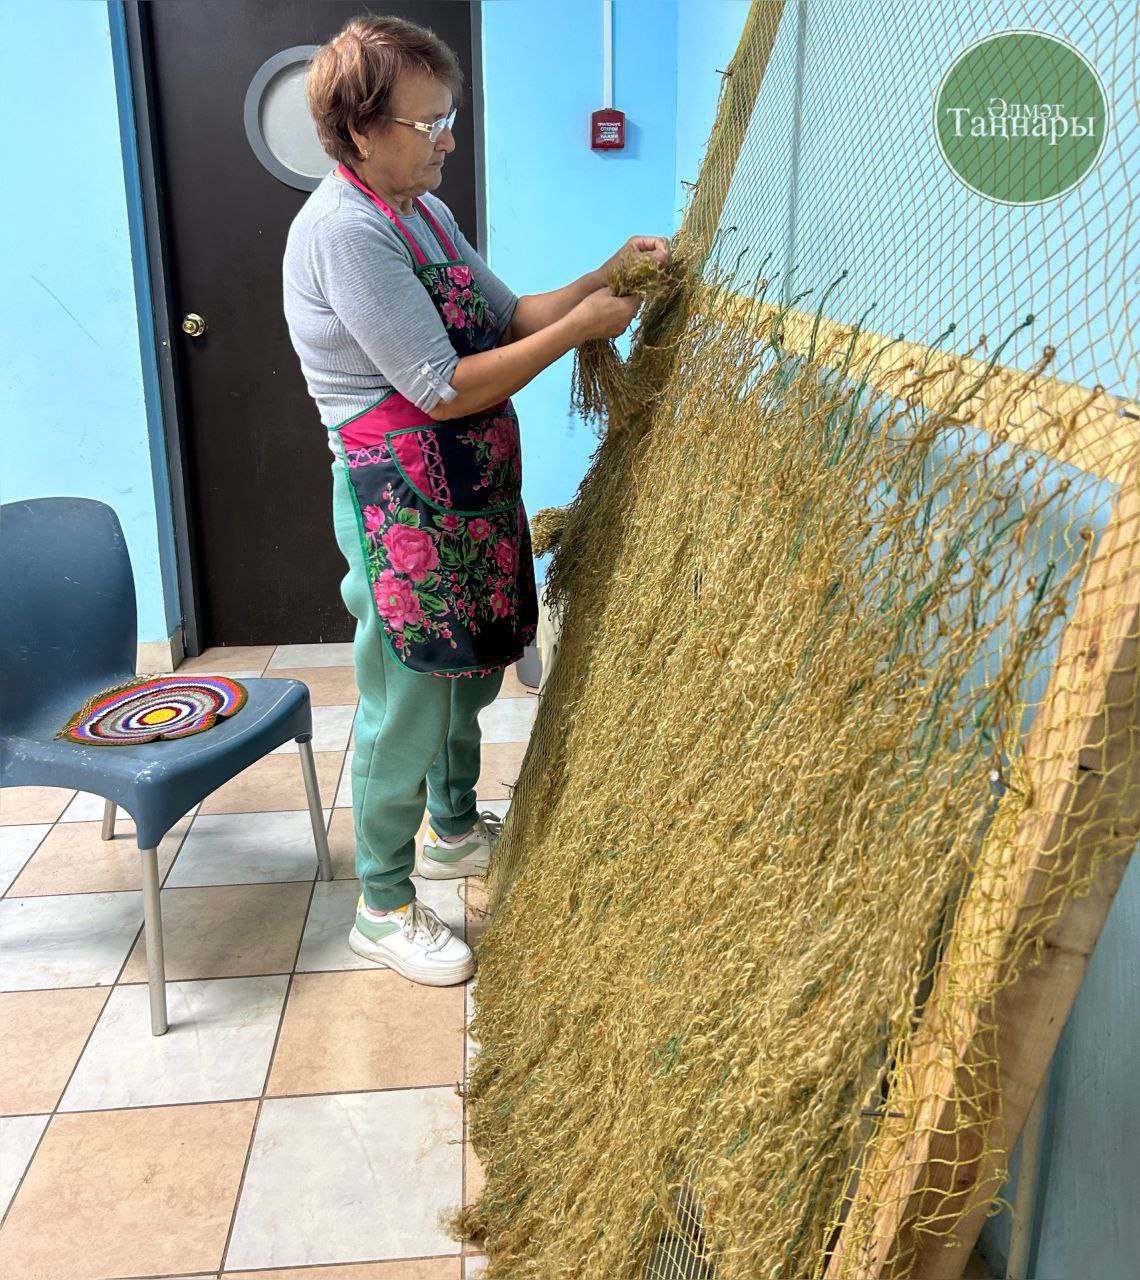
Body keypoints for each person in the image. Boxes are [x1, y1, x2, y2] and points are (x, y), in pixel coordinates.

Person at [283, 13, 669, 986]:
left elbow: (508, 318)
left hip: (468, 486)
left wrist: (602, 276)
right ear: (360, 129)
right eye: (428, 123)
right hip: (398, 502)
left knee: (472, 672)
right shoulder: (345, 231)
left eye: (448, 118)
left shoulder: (421, 213)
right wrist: (579, 329)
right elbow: (439, 386)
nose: (447, 140)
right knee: (407, 698)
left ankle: (452, 828)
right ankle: (381, 902)